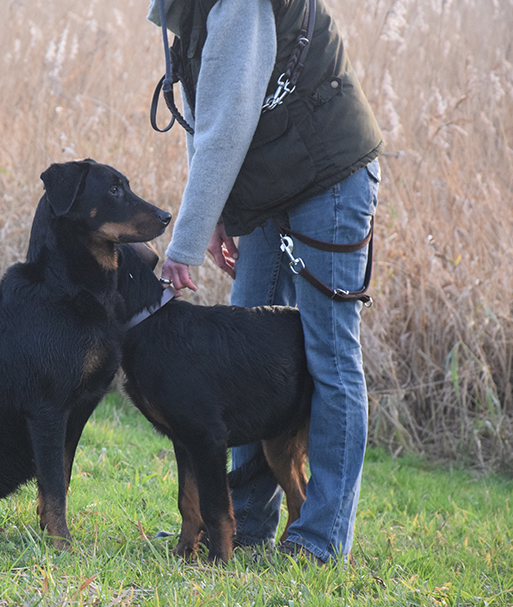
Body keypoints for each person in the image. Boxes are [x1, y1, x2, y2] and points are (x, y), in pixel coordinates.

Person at [146, 0, 383, 565]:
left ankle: (320, 540)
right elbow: (204, 117)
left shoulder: (239, 6)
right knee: (244, 357)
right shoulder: (192, 11)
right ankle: (245, 523)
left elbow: (228, 123)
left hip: (327, 176)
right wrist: (216, 212)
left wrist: (184, 245)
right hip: (270, 185)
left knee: (329, 353)